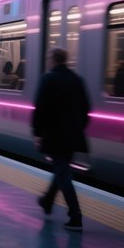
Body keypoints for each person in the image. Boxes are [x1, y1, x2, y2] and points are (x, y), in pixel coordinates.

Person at [32, 47, 90, 231]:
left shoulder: (48, 79)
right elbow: (86, 108)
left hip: (54, 134)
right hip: (72, 135)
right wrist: (78, 127)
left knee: (63, 172)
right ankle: (47, 201)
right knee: (61, 168)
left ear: (53, 60)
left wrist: (37, 133)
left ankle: (75, 216)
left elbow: (39, 108)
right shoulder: (76, 80)